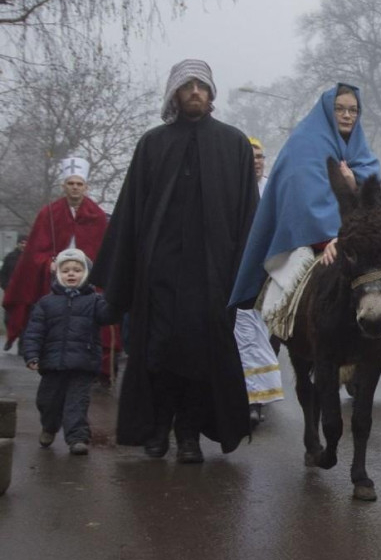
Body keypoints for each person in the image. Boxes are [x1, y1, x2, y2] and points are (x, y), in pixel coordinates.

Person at [90, 59, 258, 464]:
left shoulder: (233, 144)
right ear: (175, 94)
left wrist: (245, 278)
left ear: (211, 93)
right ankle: (158, 427)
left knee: (202, 358)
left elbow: (248, 217)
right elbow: (130, 212)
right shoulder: (153, 144)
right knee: (158, 354)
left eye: (202, 85)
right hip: (159, 274)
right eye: (187, 86)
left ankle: (189, 435)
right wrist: (121, 280)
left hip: (212, 276)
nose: (195, 92)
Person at [230, 83, 381, 374]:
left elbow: (372, 203)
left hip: (355, 235)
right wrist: (332, 236)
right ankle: (288, 333)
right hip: (311, 237)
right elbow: (301, 200)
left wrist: (352, 184)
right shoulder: (303, 145)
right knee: (301, 285)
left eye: (353, 110)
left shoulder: (359, 149)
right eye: (340, 109)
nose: (347, 115)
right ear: (327, 111)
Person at [2, 159, 120, 380]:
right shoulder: (49, 213)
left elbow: (104, 251)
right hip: (55, 281)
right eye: (71, 183)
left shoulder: (96, 215)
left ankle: (94, 369)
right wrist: (48, 263)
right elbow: (34, 251)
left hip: (88, 281)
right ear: (63, 186)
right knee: (54, 323)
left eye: (79, 184)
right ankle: (52, 366)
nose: (75, 187)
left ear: (85, 187)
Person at [21, 249, 118, 455]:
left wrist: (115, 298)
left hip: (83, 363)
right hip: (52, 364)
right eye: (66, 271)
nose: (71, 274)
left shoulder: (95, 301)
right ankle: (49, 426)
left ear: (86, 274)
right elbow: (34, 332)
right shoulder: (46, 303)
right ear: (58, 274)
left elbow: (108, 316)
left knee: (77, 403)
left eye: (77, 270)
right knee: (47, 402)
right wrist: (31, 354)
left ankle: (77, 438)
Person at [234, 136, 285, 429]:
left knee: (266, 335)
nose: (256, 161)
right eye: (251, 156)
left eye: (260, 156)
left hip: (270, 273)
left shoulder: (274, 190)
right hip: (239, 275)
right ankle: (249, 398)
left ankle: (261, 394)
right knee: (243, 336)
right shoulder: (232, 189)